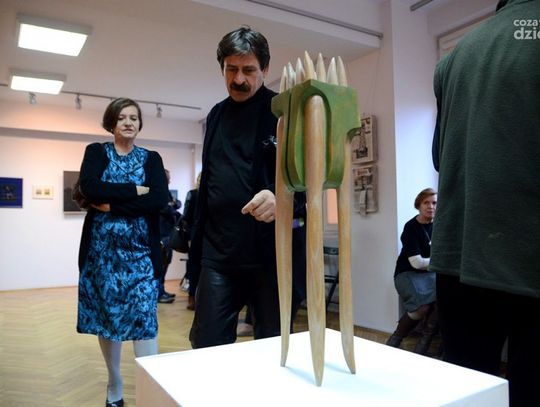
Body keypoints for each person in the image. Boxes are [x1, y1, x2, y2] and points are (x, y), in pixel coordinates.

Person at [431, 1, 540, 405]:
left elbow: (441, 157)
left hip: (460, 255)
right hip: (528, 253)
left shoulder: (454, 56)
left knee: (469, 392)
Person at [188, 26, 306, 348]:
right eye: (231, 69)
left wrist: (282, 197)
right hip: (218, 255)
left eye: (249, 70)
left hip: (271, 257)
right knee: (206, 345)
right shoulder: (215, 115)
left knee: (272, 348)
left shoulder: (284, 111)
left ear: (265, 69)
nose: (238, 79)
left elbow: (309, 180)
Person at [76, 98, 169, 407]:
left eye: (134, 118)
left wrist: (112, 205)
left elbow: (158, 199)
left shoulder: (151, 159)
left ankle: (150, 389)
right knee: (109, 320)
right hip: (102, 257)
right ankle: (114, 382)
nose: (128, 122)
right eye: (122, 117)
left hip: (141, 255)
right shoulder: (96, 152)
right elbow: (90, 188)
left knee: (145, 318)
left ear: (139, 124)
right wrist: (135, 190)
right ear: (111, 122)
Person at [386, 188, 438, 355]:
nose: (431, 206)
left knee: (443, 299)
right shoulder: (411, 227)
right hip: (407, 274)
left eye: (434, 203)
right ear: (418, 205)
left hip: (430, 274)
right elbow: (416, 263)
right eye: (426, 203)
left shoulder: (440, 225)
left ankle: (423, 347)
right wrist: (440, 261)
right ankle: (395, 340)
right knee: (421, 308)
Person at [158, 169, 182, 304]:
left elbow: (177, 203)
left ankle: (162, 291)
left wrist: (173, 205)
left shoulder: (166, 192)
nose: (170, 180)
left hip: (168, 233)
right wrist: (175, 211)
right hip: (161, 234)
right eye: (168, 177)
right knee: (161, 264)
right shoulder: (158, 191)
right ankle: (159, 293)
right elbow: (165, 208)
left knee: (166, 263)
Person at [181, 172, 200, 310]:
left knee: (194, 268)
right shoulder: (210, 194)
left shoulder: (193, 194)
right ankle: (198, 299)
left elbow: (186, 216)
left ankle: (192, 298)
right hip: (210, 236)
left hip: (196, 236)